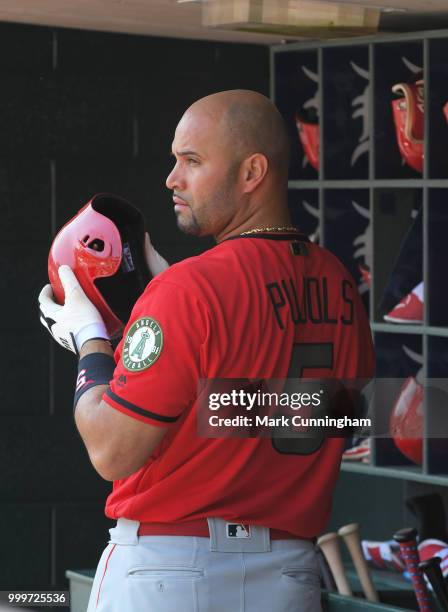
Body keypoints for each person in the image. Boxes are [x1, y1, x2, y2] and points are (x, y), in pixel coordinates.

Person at [38, 89, 375, 612]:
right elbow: (318, 413)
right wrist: (172, 315)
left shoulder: (190, 290)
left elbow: (111, 450)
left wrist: (92, 345)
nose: (172, 179)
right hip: (288, 576)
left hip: (170, 571)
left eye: (191, 161)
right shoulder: (340, 283)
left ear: (251, 172)